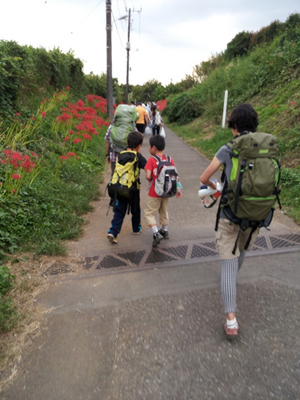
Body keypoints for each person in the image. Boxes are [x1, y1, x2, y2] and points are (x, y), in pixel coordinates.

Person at [200, 103, 261, 340]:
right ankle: (230, 281)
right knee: (242, 251)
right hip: (256, 213)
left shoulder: (229, 148)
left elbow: (205, 177)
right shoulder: (264, 147)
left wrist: (218, 187)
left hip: (230, 214)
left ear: (234, 126)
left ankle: (231, 321)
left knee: (228, 264)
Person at [107, 131, 147, 244]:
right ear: (139, 146)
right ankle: (136, 228)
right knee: (135, 209)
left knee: (119, 211)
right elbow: (147, 168)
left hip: (119, 187)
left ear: (128, 142)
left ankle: (113, 232)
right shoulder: (138, 156)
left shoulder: (121, 154)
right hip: (133, 189)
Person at [144, 135, 182, 248]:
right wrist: (178, 189)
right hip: (167, 191)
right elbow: (175, 176)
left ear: (154, 148)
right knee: (163, 210)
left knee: (149, 213)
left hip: (155, 192)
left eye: (149, 146)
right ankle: (164, 231)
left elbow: (147, 176)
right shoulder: (170, 159)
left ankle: (156, 233)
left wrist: (151, 178)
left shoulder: (151, 160)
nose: (149, 148)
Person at [105, 105, 139, 175]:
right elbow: (137, 144)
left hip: (114, 156)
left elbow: (107, 141)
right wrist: (138, 157)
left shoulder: (112, 126)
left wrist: (107, 154)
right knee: (127, 175)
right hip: (128, 157)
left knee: (114, 174)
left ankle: (114, 185)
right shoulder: (133, 128)